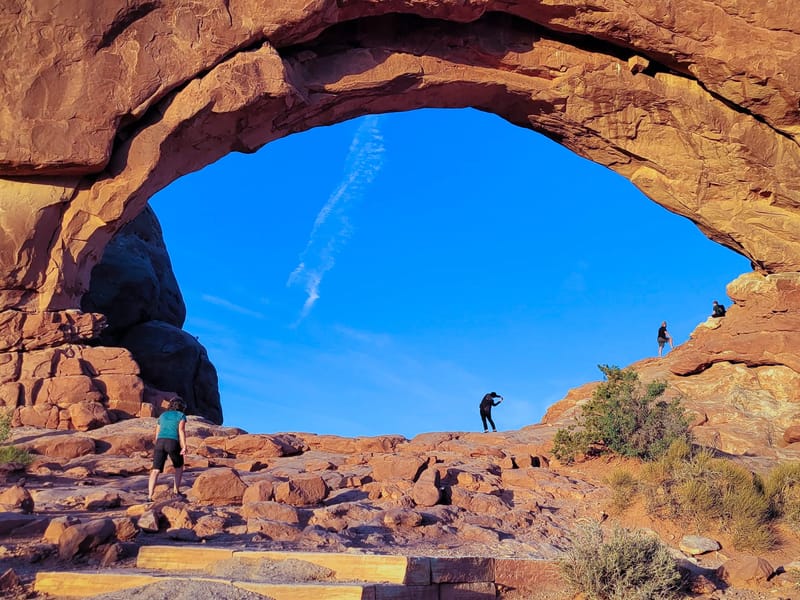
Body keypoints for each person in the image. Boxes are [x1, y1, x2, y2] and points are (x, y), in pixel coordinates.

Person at [148, 396, 188, 502]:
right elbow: (181, 431)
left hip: (160, 442)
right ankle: (176, 491)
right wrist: (184, 446)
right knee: (179, 466)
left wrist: (157, 445)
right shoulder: (181, 415)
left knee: (155, 470)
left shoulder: (163, 415)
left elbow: (157, 431)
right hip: (172, 442)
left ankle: (149, 496)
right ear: (181, 406)